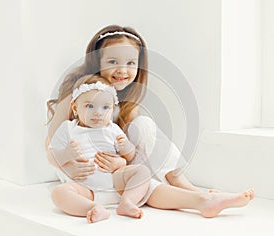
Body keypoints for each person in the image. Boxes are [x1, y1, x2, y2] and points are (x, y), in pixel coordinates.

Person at [46, 25, 254, 219]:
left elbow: (123, 151)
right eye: (112, 62)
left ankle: (199, 198)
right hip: (76, 167)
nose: (123, 70)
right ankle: (197, 197)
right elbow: (51, 146)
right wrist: (69, 164)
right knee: (64, 192)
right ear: (96, 62)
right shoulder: (76, 94)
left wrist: (122, 162)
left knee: (143, 130)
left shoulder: (126, 102)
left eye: (130, 63)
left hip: (112, 170)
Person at [50, 75, 152, 223]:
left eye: (105, 107)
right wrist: (66, 154)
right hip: (85, 189)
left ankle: (127, 202)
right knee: (59, 193)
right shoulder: (68, 128)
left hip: (115, 181)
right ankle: (93, 207)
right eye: (90, 106)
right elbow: (53, 155)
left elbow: (130, 156)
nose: (98, 112)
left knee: (142, 171)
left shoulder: (112, 129)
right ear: (75, 107)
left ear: (112, 109)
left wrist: (126, 148)